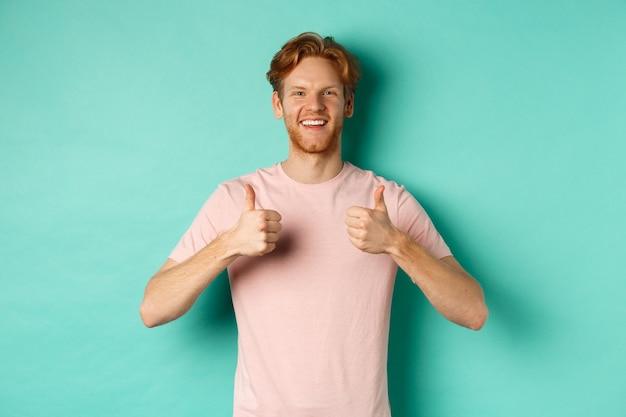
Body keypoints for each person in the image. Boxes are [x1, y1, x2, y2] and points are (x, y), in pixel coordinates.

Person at [140, 32, 488, 417]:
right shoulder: (235, 199)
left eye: (329, 93)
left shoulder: (389, 201)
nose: (314, 105)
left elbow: (472, 311)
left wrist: (396, 243)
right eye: (299, 93)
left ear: (348, 104)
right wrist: (229, 244)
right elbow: (153, 308)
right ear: (278, 104)